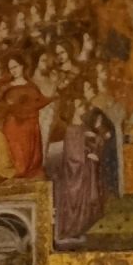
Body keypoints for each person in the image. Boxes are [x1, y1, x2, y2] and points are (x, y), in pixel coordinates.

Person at [51, 96, 105, 240]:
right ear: (74, 110)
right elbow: (72, 154)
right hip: (74, 174)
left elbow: (95, 143)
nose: (83, 109)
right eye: (80, 106)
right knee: (73, 202)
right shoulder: (70, 129)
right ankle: (70, 231)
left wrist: (95, 150)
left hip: (86, 172)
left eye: (82, 106)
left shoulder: (84, 127)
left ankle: (79, 230)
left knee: (85, 202)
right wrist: (87, 155)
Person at [0, 53, 51, 178]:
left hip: (30, 126)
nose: (13, 70)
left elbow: (39, 102)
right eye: (11, 68)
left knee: (29, 157)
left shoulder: (31, 86)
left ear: (22, 66)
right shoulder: (5, 88)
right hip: (13, 126)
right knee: (16, 156)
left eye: (15, 67)